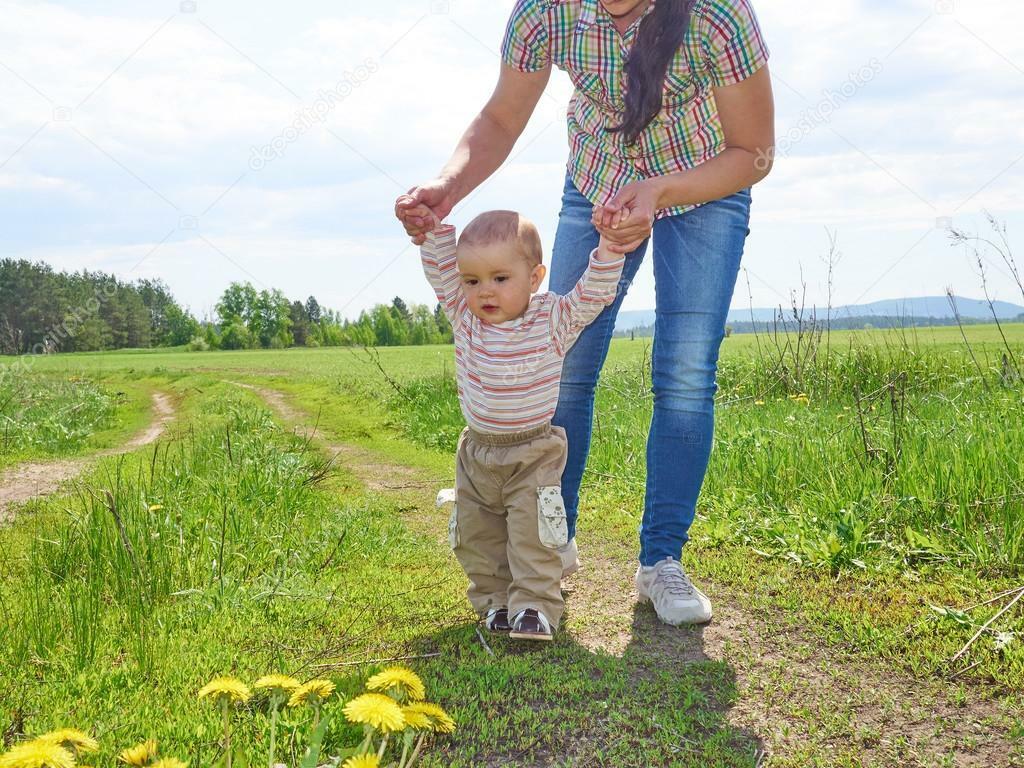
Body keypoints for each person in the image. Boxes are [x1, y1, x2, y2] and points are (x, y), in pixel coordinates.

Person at [396, 0, 774, 627]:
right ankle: (549, 543)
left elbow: (754, 152)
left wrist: (660, 189)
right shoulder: (545, 11)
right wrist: (447, 187)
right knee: (565, 362)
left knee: (683, 373)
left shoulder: (716, 14)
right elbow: (500, 116)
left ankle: (661, 562)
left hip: (705, 187)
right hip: (597, 184)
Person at [413, 206, 626, 641]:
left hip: (533, 452)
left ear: (533, 278)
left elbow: (593, 295)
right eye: (472, 280)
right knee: (477, 536)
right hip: (476, 454)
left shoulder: (552, 319)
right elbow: (440, 274)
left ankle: (535, 607)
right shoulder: (465, 318)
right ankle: (495, 603)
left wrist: (610, 248)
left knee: (533, 535)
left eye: (499, 278)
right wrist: (432, 227)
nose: (484, 291)